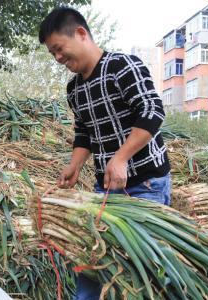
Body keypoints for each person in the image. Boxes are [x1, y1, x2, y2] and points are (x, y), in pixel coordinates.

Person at [39, 7, 171, 300]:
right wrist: (74, 165)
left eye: (59, 49)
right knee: (93, 263)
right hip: (106, 189)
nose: (58, 58)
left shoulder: (122, 66)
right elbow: (84, 132)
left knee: (140, 274)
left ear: (81, 34)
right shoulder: (74, 89)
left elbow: (152, 112)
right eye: (52, 54)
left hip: (146, 186)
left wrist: (121, 157)